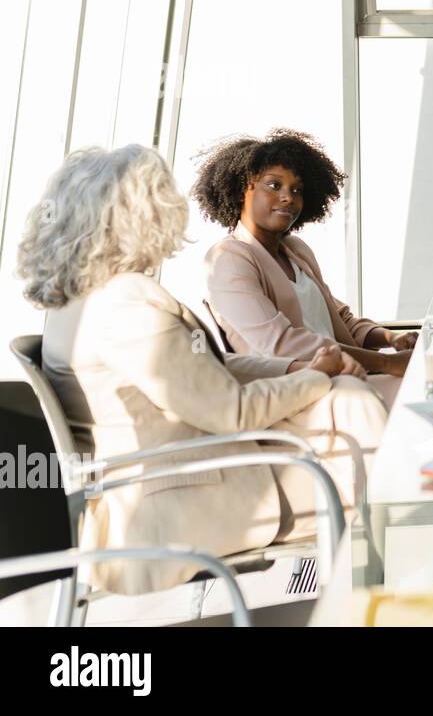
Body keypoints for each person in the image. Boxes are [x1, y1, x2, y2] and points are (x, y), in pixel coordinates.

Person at [17, 145, 388, 595]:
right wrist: (314, 377)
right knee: (363, 460)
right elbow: (229, 411)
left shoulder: (78, 301)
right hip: (176, 506)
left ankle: (375, 594)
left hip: (169, 478)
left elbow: (207, 364)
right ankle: (384, 586)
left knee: (349, 406)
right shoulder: (126, 303)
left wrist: (301, 369)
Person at [193, 130, 414, 408]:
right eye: (274, 185)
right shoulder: (228, 259)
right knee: (422, 391)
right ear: (241, 191)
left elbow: (340, 320)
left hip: (346, 377)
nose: (288, 197)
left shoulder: (296, 250)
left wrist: (392, 338)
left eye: (296, 190)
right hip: (302, 391)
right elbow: (282, 344)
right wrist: (387, 362)